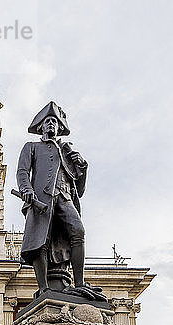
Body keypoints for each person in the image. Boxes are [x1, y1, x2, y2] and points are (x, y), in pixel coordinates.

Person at [16, 101, 105, 301]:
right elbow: (22, 172)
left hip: (64, 197)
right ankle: (44, 288)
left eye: (54, 122)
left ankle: (80, 283)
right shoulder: (31, 147)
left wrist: (83, 168)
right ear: (40, 127)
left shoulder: (66, 151)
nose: (51, 125)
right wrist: (27, 190)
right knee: (42, 241)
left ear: (59, 128)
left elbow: (78, 189)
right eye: (47, 121)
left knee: (78, 232)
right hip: (42, 199)